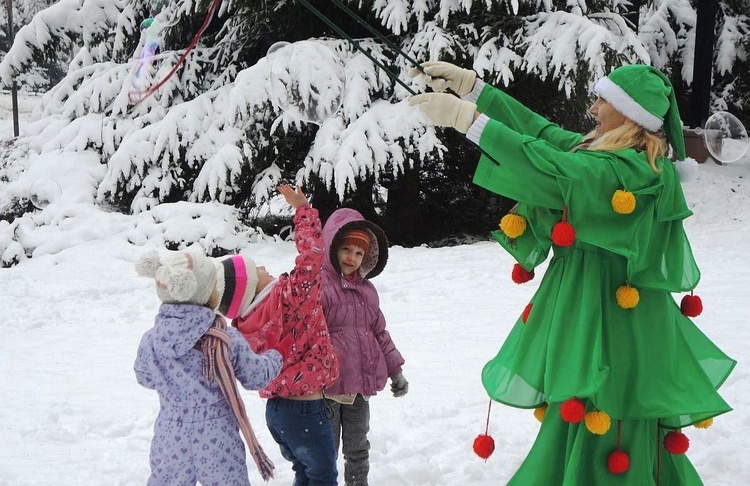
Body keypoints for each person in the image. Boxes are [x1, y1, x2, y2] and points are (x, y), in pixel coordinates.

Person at [410, 62, 736, 484]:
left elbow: (553, 168)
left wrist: (468, 122)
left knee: (609, 406)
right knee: (583, 403)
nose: (594, 108)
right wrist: (476, 91)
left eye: (604, 100)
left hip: (613, 319)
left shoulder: (634, 171)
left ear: (630, 114)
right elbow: (543, 135)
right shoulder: (599, 151)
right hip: (591, 305)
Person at [133, 250, 289, 486]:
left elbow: (144, 376)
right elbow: (255, 376)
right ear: (204, 296)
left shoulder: (153, 340)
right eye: (214, 287)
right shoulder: (224, 337)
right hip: (217, 434)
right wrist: (275, 356)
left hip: (171, 432)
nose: (218, 292)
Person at [232, 184, 340, 486]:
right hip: (305, 410)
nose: (265, 266)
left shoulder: (244, 326)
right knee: (323, 476)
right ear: (252, 284)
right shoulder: (291, 296)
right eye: (258, 269)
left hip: (277, 414)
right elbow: (312, 256)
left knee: (305, 473)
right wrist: (303, 211)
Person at [320, 208, 408, 486]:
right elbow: (307, 335)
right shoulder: (319, 286)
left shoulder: (368, 291)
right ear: (331, 246)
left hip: (359, 388)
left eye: (359, 253)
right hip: (327, 388)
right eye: (346, 248)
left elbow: (379, 333)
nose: (351, 258)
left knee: (358, 447)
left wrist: (396, 371)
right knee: (326, 449)